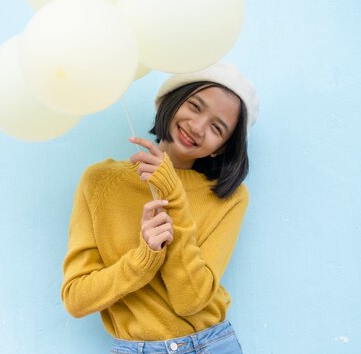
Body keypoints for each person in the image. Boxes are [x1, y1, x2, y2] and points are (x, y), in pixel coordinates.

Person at [61, 63, 259, 354]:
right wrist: (143, 259)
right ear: (173, 100)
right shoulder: (100, 182)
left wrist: (175, 198)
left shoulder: (229, 197)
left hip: (209, 344)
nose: (197, 126)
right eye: (194, 106)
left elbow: (189, 300)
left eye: (217, 128)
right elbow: (76, 300)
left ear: (221, 147)